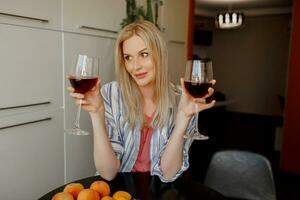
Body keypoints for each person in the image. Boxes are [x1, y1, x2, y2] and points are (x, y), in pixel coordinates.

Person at [68, 20, 215, 182]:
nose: (135, 66)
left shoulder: (185, 99)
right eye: (128, 58)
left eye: (144, 54)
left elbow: (168, 173)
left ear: (159, 54)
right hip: (119, 190)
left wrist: (183, 117)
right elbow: (108, 173)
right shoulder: (110, 94)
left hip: (159, 192)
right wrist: (96, 114)